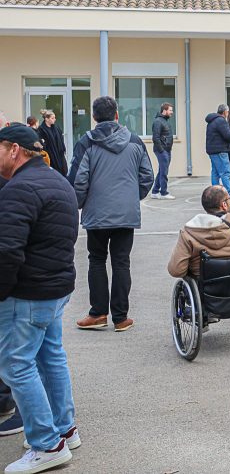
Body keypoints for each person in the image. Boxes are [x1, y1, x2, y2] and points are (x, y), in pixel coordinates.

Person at [0, 125, 81, 474]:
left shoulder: (19, 188)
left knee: (16, 365)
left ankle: (47, 445)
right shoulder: (57, 180)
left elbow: (6, 251)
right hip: (54, 289)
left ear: (14, 150)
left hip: (29, 293)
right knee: (50, 358)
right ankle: (65, 430)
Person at [70, 96, 154, 333]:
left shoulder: (86, 142)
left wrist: (80, 203)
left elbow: (78, 181)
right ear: (117, 115)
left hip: (97, 213)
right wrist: (131, 198)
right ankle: (121, 317)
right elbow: (147, 176)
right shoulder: (135, 141)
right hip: (126, 213)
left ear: (94, 117)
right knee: (121, 262)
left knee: (97, 260)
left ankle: (98, 313)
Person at [167, 186, 230, 278]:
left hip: (206, 288)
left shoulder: (189, 232)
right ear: (224, 205)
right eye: (229, 199)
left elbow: (176, 270)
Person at [205, 104, 230, 199]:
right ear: (225, 112)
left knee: (215, 173)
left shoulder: (212, 120)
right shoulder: (221, 121)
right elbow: (227, 135)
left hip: (212, 150)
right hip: (220, 150)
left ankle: (214, 193)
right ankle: (229, 194)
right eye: (227, 112)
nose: (228, 113)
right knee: (226, 172)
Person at [151, 102, 174, 200]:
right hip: (162, 150)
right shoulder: (158, 122)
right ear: (164, 111)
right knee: (164, 172)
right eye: (170, 110)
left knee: (162, 171)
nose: (172, 112)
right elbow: (155, 138)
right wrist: (161, 150)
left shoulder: (165, 121)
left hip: (167, 150)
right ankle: (164, 193)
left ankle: (155, 191)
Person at [37, 110, 68, 179]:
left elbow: (61, 139)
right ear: (46, 119)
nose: (55, 119)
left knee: (63, 173)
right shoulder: (41, 130)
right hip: (50, 155)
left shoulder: (56, 128)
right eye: (52, 118)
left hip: (59, 154)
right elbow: (41, 143)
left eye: (54, 118)